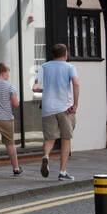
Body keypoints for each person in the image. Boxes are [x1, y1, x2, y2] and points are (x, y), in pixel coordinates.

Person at [32, 43, 79, 180]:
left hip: (48, 108)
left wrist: (46, 90)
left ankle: (46, 156)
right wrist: (75, 104)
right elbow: (76, 84)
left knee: (49, 137)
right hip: (65, 108)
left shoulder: (43, 67)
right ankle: (62, 172)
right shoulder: (70, 67)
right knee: (66, 138)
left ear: (53, 54)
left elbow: (35, 88)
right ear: (65, 54)